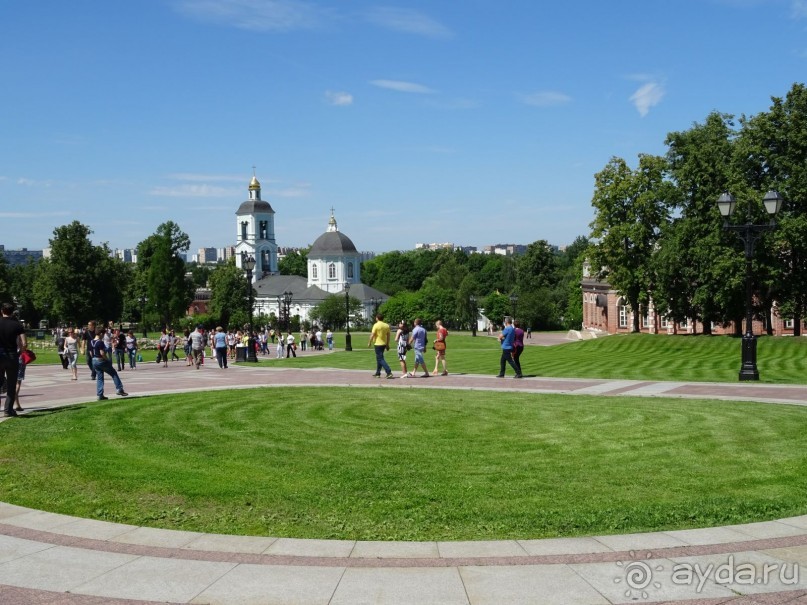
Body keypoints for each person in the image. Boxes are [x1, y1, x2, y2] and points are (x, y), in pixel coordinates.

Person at [0, 302, 26, 417]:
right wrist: (19, 352)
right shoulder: (17, 325)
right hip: (12, 356)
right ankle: (8, 410)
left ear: (2, 311)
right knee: (11, 384)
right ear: (12, 312)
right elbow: (24, 343)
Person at [90, 327, 128, 400]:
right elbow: (102, 353)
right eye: (103, 334)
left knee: (100, 377)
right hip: (100, 360)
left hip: (94, 360)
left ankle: (100, 395)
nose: (103, 336)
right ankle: (119, 389)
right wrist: (106, 360)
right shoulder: (100, 342)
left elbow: (91, 352)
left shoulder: (91, 342)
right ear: (100, 334)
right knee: (113, 373)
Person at [368, 313, 393, 379]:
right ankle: (378, 373)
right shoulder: (386, 325)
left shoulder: (376, 325)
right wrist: (387, 344)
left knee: (380, 359)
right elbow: (388, 336)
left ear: (377, 318)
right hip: (383, 344)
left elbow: (372, 334)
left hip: (377, 344)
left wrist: (369, 342)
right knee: (379, 358)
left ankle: (389, 372)